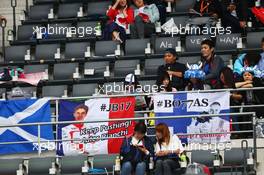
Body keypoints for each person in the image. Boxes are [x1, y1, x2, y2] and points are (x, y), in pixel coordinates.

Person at [216, 67, 243, 135]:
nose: (221, 79)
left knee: (231, 110)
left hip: (234, 105)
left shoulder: (234, 84)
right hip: (221, 106)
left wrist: (230, 95)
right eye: (220, 77)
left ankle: (237, 132)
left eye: (223, 77)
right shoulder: (219, 86)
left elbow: (240, 96)